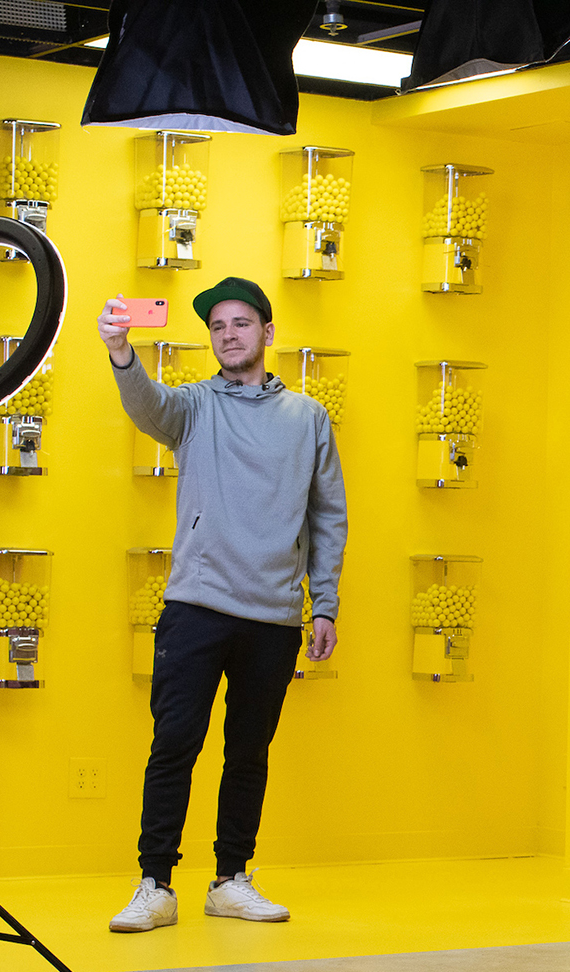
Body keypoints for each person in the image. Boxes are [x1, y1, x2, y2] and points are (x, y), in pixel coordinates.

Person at [97, 277, 348, 933]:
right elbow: (148, 407)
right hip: (197, 607)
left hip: (273, 616)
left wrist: (324, 602)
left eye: (241, 323)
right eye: (217, 326)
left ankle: (231, 879)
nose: (228, 333)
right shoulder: (193, 407)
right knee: (174, 744)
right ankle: (155, 885)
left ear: (267, 333)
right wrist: (123, 353)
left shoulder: (308, 418)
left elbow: (329, 516)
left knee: (248, 751)